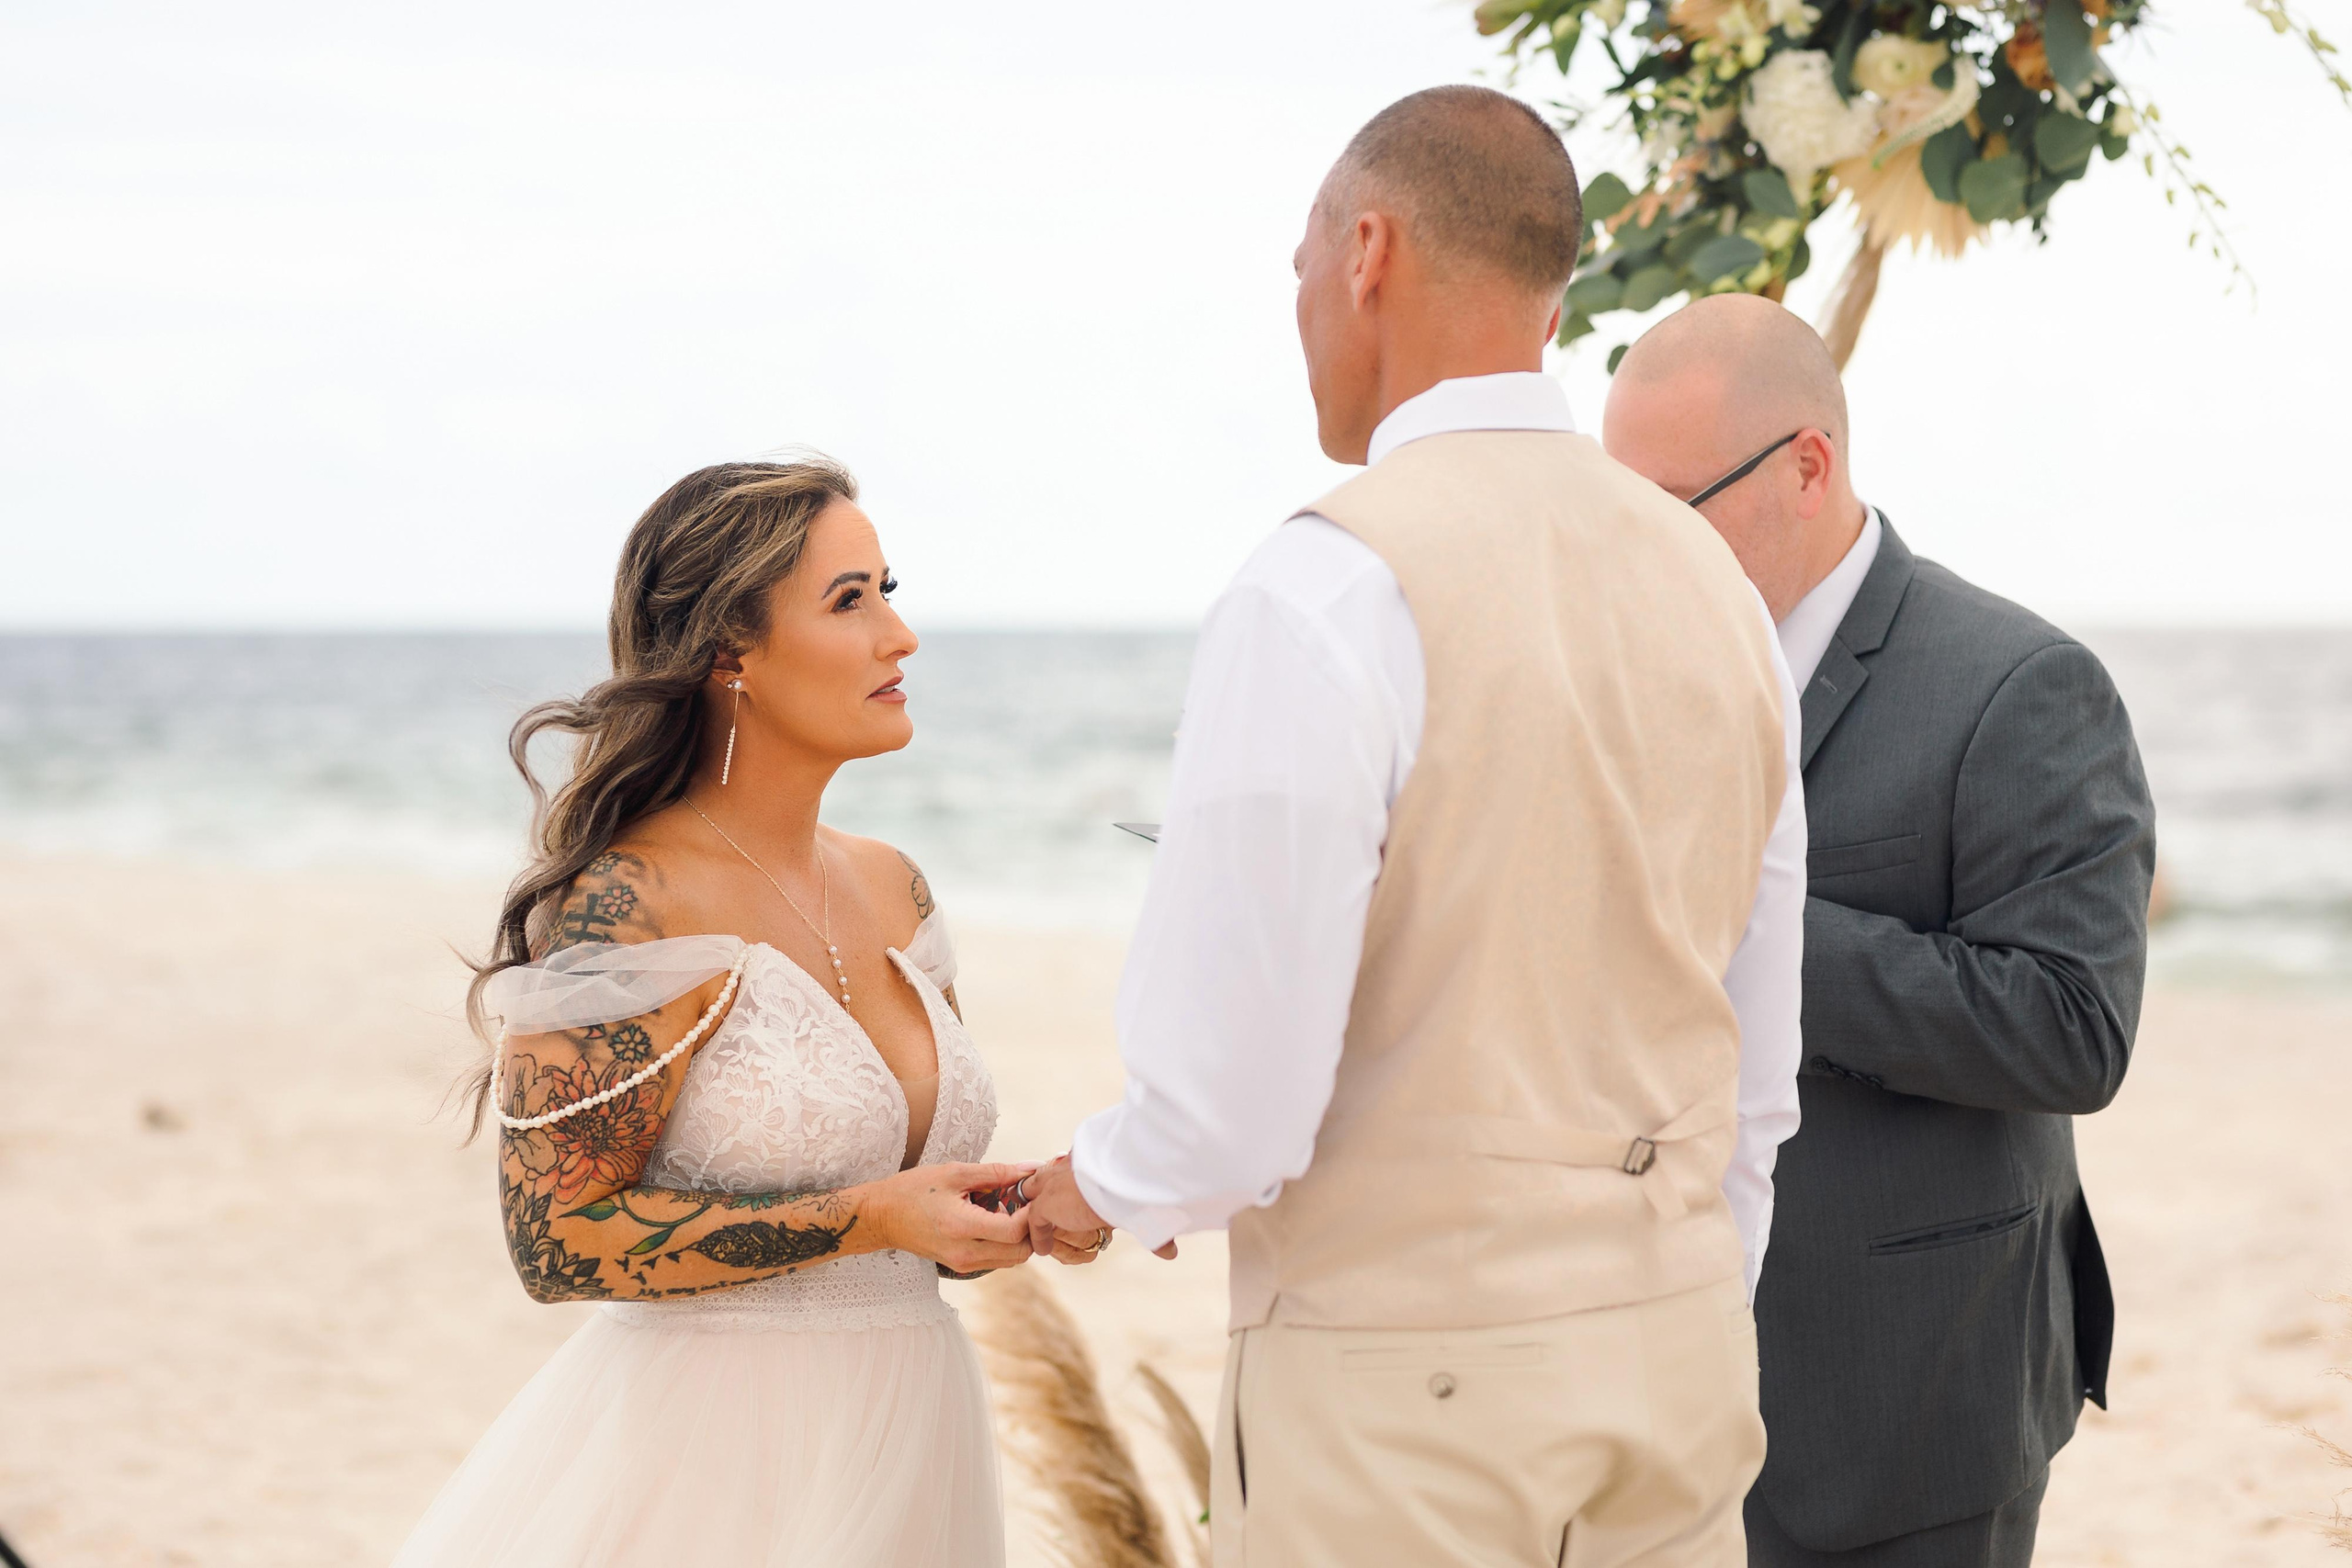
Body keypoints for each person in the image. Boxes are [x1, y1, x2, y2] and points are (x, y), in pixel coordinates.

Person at [1013, 86, 1810, 1566]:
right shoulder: (1724, 594)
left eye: (1301, 266)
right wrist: (1677, 1294)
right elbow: (1756, 1063)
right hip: (1683, 1361)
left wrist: (1106, 1180)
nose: (1303, 306)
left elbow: (1231, 1103)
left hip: (1408, 1394)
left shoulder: (1323, 585)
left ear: (1368, 251)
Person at [392, 458, 1079, 1568]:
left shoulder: (897, 887)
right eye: (850, 601)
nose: (900, 637)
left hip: (910, 1435)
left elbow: (902, 1209)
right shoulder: (629, 904)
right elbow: (554, 1242)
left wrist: (998, 1215)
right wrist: (875, 1217)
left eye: (888, 590)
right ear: (730, 653)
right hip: (708, 1463)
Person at [1601, 295, 2155, 1568]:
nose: (1639, 548)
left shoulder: (2020, 684)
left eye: (1673, 504)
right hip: (1641, 1372)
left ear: (1810, 463)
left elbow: (2074, 1029)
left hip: (1909, 1382)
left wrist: (1745, 924)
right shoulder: (1631, 674)